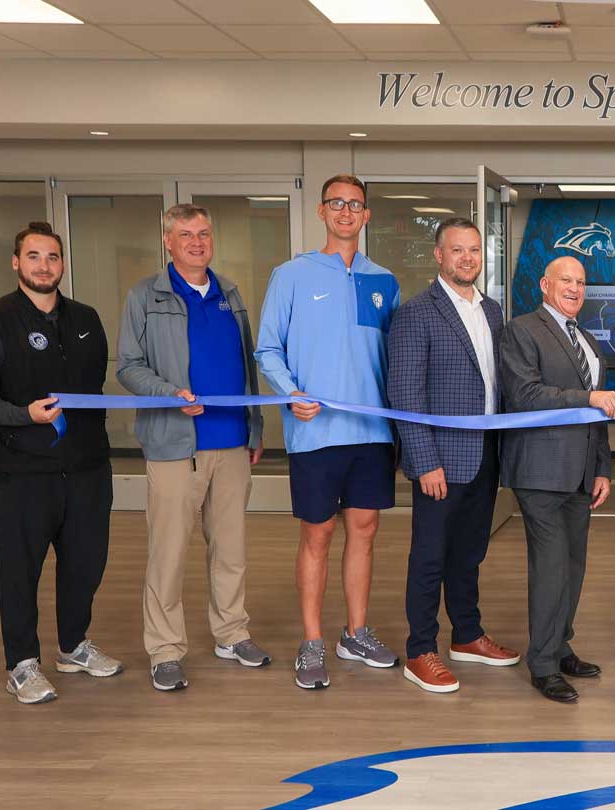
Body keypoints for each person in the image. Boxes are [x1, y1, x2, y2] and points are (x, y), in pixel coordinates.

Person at [0, 221, 122, 704]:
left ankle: (72, 647)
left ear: (62, 264)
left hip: (87, 468)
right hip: (21, 471)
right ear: (16, 262)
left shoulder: (87, 318)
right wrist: (22, 416)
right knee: (20, 569)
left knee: (85, 564)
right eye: (34, 257)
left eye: (52, 257)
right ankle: (22, 664)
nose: (44, 266)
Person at [255, 174, 402, 689]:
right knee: (317, 534)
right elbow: (267, 347)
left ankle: (356, 633)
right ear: (321, 212)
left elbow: (393, 359)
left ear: (366, 216)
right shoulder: (291, 274)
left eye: (355, 205)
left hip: (371, 433)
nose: (346, 212)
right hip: (315, 434)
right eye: (336, 203)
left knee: (363, 531)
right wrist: (290, 391)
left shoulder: (383, 280)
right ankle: (312, 641)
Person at [117, 203, 270, 692]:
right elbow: (128, 366)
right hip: (174, 446)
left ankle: (231, 632)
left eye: (204, 233)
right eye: (186, 234)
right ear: (168, 241)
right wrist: (169, 395)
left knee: (230, 550)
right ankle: (165, 650)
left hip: (231, 443)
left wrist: (255, 427)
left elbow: (248, 366)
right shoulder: (145, 295)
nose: (197, 242)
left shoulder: (230, 292)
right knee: (168, 553)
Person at [387, 218, 519, 694]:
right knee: (430, 557)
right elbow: (404, 393)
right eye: (457, 250)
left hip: (485, 455)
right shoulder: (416, 313)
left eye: (475, 250)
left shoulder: (494, 311)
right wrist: (423, 461)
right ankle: (421, 649)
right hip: (440, 460)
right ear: (438, 256)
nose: (468, 258)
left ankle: (467, 635)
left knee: (469, 553)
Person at [499, 256, 615, 703]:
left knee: (573, 566)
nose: (574, 288)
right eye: (565, 280)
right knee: (550, 568)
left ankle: (560, 643)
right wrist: (588, 395)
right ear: (545, 285)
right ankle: (543, 664)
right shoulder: (522, 330)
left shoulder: (585, 338)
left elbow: (597, 416)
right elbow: (525, 395)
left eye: (581, 282)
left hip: (581, 473)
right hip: (541, 470)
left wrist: (602, 466)